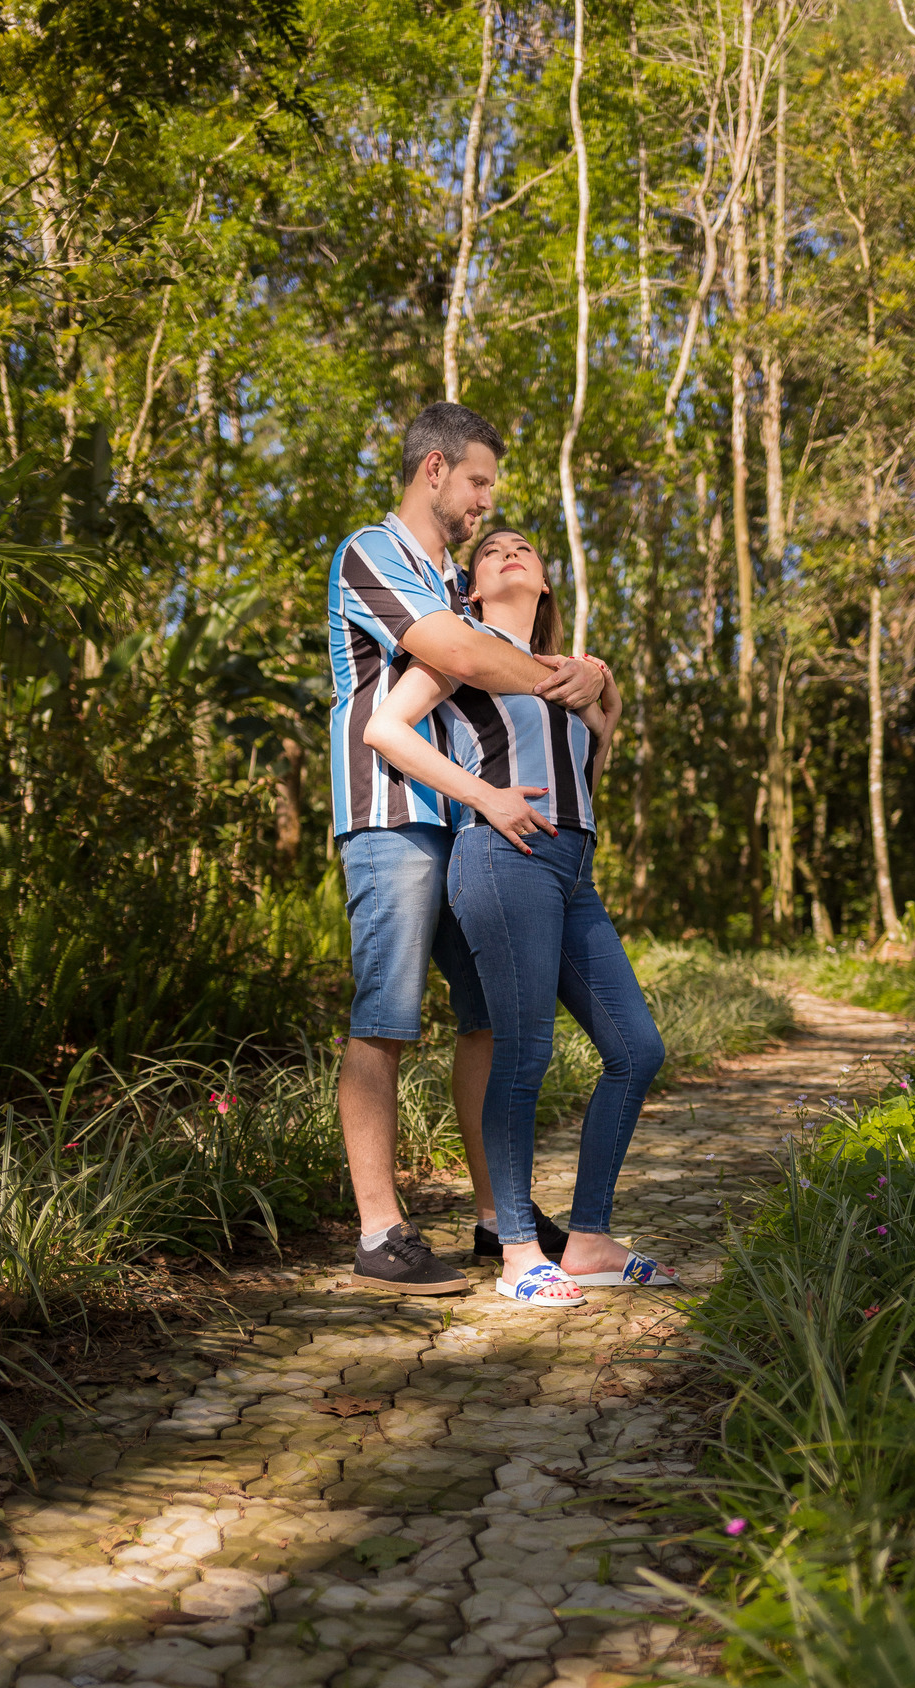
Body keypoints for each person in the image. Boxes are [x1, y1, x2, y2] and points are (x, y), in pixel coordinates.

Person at [328, 405, 606, 1295]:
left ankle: (499, 1219)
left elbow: (499, 654)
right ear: (436, 469)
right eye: (480, 482)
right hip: (393, 816)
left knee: (484, 1016)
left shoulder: (458, 577)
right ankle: (380, 1230)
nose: (488, 501)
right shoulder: (372, 552)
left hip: (473, 829)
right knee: (387, 1012)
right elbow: (452, 653)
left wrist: (596, 678)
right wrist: (574, 674)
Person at [363, 526, 672, 1308]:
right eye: (491, 548)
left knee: (637, 1049)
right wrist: (483, 798)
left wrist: (606, 702)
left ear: (545, 585)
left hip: (574, 869)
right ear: (469, 588)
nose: (507, 551)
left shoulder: (568, 672)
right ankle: (517, 1250)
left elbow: (588, 771)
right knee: (524, 1050)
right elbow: (385, 728)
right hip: (503, 860)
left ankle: (591, 1237)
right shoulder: (461, 646)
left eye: (524, 548)